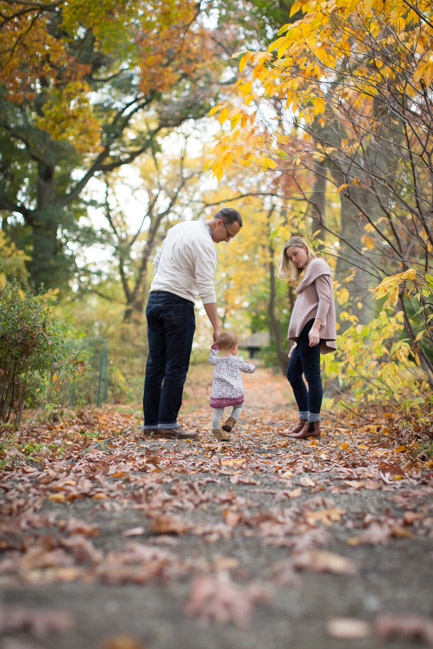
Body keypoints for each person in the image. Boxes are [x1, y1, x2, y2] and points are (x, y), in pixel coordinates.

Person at [142, 208, 243, 439]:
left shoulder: (178, 228)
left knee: (154, 365)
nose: (227, 241)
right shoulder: (205, 244)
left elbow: (157, 263)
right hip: (177, 304)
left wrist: (166, 284)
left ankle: (151, 424)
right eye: (228, 235)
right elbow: (206, 286)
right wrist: (217, 327)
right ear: (219, 223)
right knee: (176, 366)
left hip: (154, 299)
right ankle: (167, 424)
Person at [278, 236, 336, 439]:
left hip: (312, 326)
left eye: (295, 254)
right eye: (290, 257)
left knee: (312, 376)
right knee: (293, 374)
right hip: (304, 331)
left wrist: (317, 328)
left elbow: (325, 298)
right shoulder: (309, 272)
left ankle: (313, 425)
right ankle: (304, 420)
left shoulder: (318, 265)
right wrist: (296, 342)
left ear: (305, 248)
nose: (294, 259)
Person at [208, 331, 255, 441]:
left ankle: (216, 432)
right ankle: (231, 422)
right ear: (235, 347)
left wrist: (214, 347)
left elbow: (211, 359)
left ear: (219, 347)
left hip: (219, 393)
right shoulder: (238, 360)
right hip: (235, 392)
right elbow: (249, 369)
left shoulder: (217, 360)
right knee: (238, 406)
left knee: (218, 413)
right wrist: (251, 365)